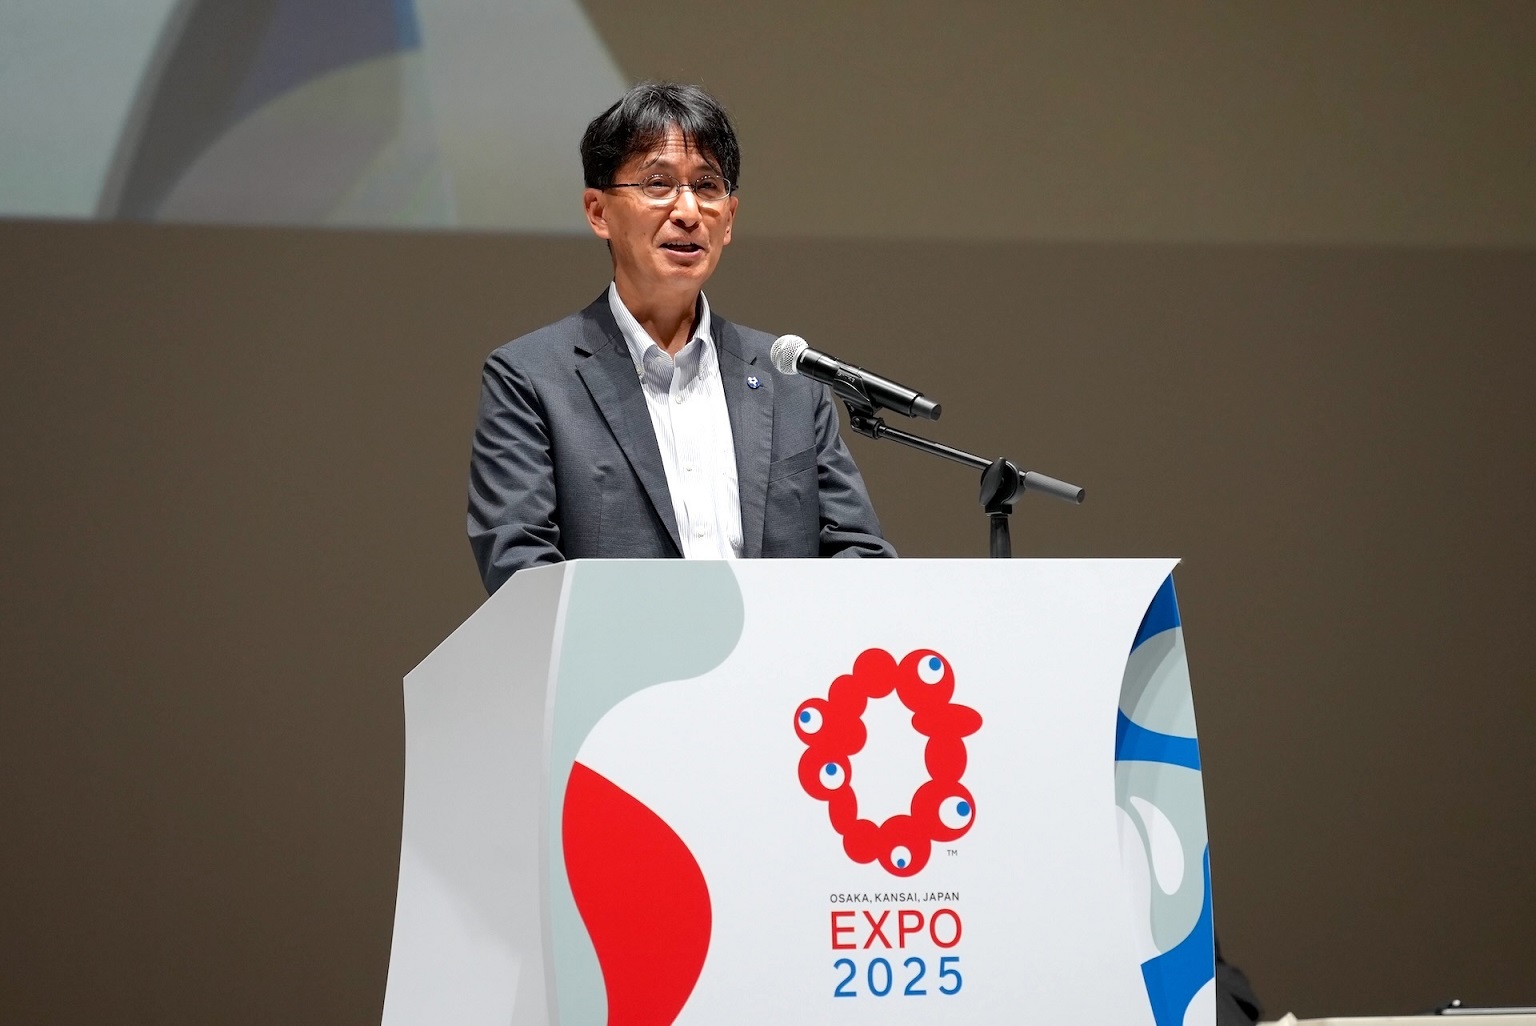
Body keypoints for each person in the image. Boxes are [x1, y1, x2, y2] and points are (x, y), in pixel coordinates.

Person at [467, 82, 894, 593]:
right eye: (658, 184)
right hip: (618, 647)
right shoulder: (531, 378)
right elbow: (522, 571)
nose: (688, 211)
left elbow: (862, 555)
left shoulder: (791, 381)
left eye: (708, 186)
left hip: (781, 645)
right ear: (599, 212)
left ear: (729, 219)